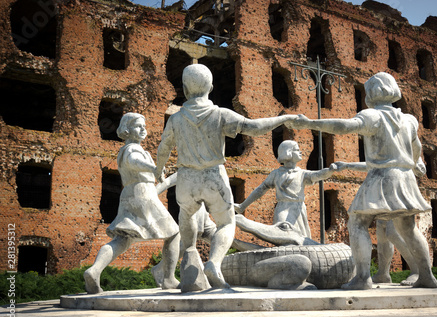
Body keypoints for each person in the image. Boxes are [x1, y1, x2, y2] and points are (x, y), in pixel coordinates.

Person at [155, 64, 297, 289]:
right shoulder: (220, 114)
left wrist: (158, 169)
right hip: (214, 177)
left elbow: (163, 147)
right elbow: (254, 127)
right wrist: (282, 119)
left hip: (186, 178)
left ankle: (190, 256)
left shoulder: (175, 120)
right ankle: (214, 262)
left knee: (187, 215)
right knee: (226, 222)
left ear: (184, 88)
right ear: (211, 87)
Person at [290, 72, 437, 290]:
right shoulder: (409, 120)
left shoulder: (373, 116)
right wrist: (414, 163)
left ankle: (363, 278)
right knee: (408, 228)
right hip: (405, 178)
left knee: (357, 222)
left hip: (381, 177)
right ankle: (426, 276)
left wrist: (312, 123)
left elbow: (345, 127)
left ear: (373, 92)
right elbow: (417, 148)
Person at [84, 113, 180, 294]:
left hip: (129, 195)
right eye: (138, 126)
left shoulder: (127, 149)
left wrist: (159, 175)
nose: (143, 130)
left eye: (144, 126)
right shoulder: (132, 149)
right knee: (174, 233)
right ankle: (168, 278)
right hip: (143, 194)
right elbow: (133, 162)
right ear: (126, 130)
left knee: (122, 239)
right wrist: (153, 168)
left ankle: (94, 270)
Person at [334, 161, 422, 285]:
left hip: (398, 188)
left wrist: (412, 164)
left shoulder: (405, 144)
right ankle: (383, 273)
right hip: (383, 191)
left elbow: (420, 168)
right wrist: (348, 165)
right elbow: (374, 164)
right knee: (382, 233)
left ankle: (417, 270)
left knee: (393, 233)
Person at [235, 140, 338, 238]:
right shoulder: (276, 174)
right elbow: (260, 190)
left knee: (301, 239)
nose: (301, 152)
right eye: (297, 150)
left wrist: (329, 171)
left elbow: (318, 174)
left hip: (298, 209)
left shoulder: (302, 173)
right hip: (283, 207)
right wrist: (242, 206)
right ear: (288, 152)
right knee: (281, 233)